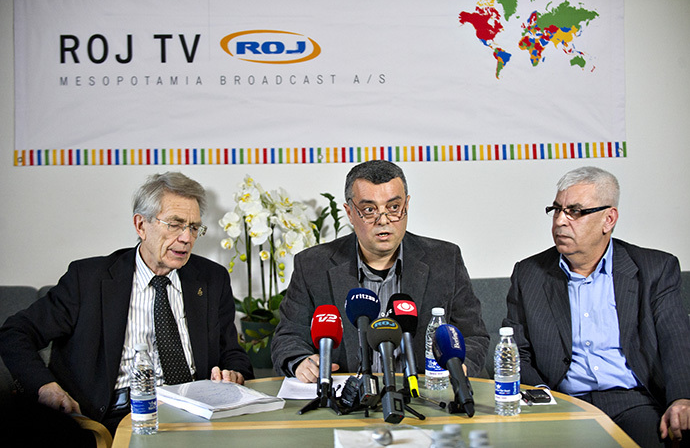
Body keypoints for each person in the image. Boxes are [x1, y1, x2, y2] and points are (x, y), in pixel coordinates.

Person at [0, 172, 253, 435]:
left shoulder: (212, 279)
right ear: (141, 225)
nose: (187, 238)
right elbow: (15, 333)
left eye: (193, 227)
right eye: (175, 224)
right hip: (114, 415)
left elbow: (232, 352)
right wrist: (45, 386)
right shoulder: (89, 280)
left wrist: (232, 373)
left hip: (196, 413)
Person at [503, 166, 690, 447]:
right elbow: (517, 351)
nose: (560, 222)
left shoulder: (655, 269)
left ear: (608, 219)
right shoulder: (529, 274)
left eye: (575, 212)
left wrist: (681, 398)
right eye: (556, 210)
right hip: (565, 402)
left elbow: (675, 340)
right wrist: (541, 395)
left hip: (635, 400)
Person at [271, 160, 489, 383]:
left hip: (423, 397)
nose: (383, 220)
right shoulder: (313, 265)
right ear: (349, 212)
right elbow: (289, 337)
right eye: (369, 210)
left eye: (394, 208)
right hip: (346, 401)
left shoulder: (444, 260)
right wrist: (299, 362)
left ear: (407, 204)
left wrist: (460, 366)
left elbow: (473, 336)